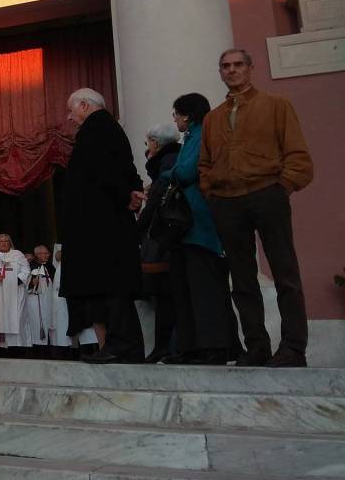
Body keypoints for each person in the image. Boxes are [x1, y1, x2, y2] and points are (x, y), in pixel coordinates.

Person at [199, 49, 314, 367]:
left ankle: (293, 348)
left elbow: (297, 153)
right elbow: (204, 163)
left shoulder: (276, 106)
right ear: (220, 73)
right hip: (227, 202)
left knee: (284, 272)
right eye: (225, 66)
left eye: (238, 65)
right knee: (242, 277)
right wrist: (211, 191)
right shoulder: (213, 118)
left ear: (250, 69)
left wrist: (284, 186)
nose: (232, 70)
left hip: (267, 194)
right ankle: (256, 347)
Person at [59, 88, 146, 364]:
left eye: (72, 110)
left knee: (111, 286)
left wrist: (126, 194)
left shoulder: (97, 128)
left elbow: (107, 170)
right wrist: (130, 191)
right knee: (109, 287)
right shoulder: (106, 128)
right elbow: (124, 168)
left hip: (101, 228)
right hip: (103, 224)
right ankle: (122, 345)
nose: (70, 117)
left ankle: (120, 344)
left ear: (84, 105)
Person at [157, 93, 240, 366]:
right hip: (190, 227)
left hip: (198, 224)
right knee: (188, 288)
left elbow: (187, 170)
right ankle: (192, 346)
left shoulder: (201, 133)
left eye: (176, 113)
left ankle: (213, 346)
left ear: (187, 115)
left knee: (203, 288)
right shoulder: (192, 136)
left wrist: (165, 176)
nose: (174, 119)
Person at [137, 123, 181, 363]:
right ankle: (167, 346)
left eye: (148, 143)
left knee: (166, 296)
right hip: (166, 238)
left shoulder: (167, 164)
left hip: (164, 240)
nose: (148, 148)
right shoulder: (172, 159)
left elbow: (156, 203)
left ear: (156, 142)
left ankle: (169, 347)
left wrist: (137, 229)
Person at [0, 234, 30, 357]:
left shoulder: (18, 255)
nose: (3, 243)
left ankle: (16, 348)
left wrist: (16, 280)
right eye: (1, 241)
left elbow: (26, 271)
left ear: (10, 243)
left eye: (6, 241)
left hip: (16, 293)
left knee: (17, 318)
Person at [25, 245, 56, 357]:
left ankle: (46, 351)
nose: (48, 255)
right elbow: (29, 284)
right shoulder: (33, 267)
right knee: (37, 326)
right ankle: (38, 353)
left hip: (46, 301)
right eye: (45, 253)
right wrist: (33, 283)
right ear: (38, 254)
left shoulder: (46, 267)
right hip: (36, 302)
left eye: (47, 253)